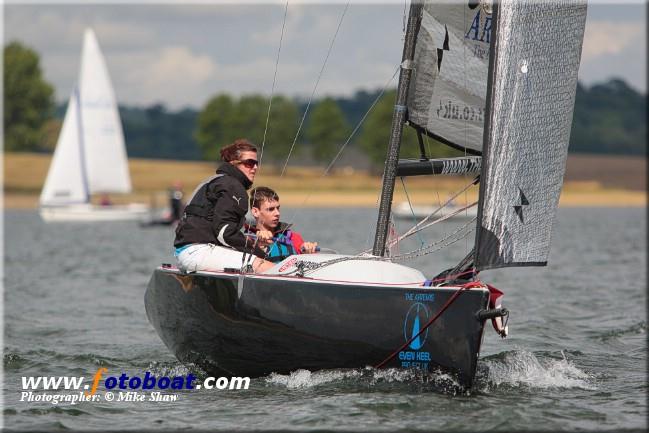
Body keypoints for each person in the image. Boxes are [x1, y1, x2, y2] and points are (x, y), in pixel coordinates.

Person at [173, 139, 275, 273]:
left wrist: (251, 243)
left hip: (185, 253)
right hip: (199, 253)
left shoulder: (215, 180)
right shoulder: (232, 186)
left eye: (256, 163)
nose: (255, 167)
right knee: (270, 268)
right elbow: (225, 233)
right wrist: (259, 254)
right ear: (233, 164)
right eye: (249, 163)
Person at [246, 186, 318, 263]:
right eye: (271, 209)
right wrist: (259, 246)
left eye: (278, 208)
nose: (277, 213)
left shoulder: (293, 237)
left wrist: (308, 252)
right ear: (255, 212)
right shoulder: (246, 240)